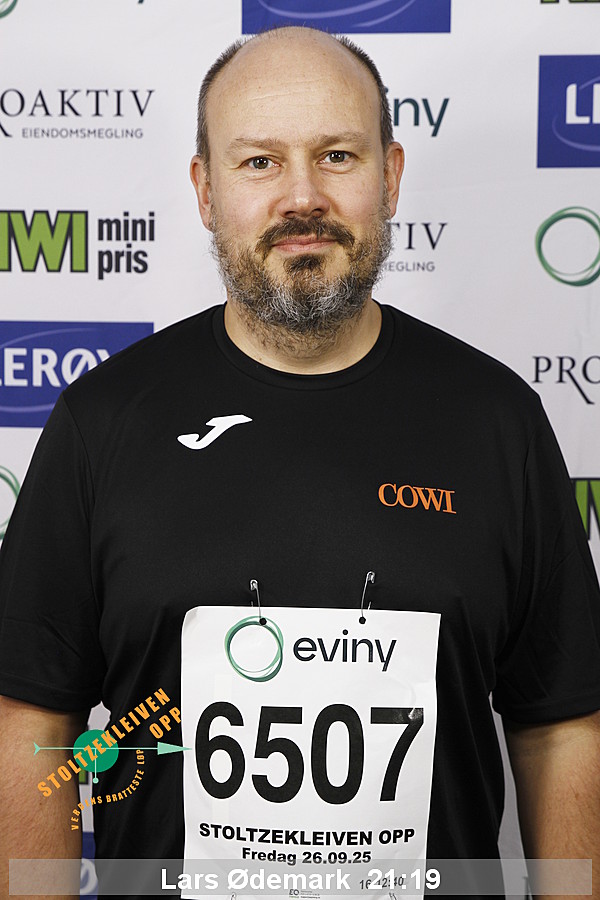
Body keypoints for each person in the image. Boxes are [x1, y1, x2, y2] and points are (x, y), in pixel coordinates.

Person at [1, 25, 599, 900]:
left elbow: (561, 727)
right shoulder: (102, 422)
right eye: (259, 162)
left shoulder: (498, 421)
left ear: (390, 176)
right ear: (205, 191)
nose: (302, 197)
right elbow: (32, 722)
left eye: (337, 156)